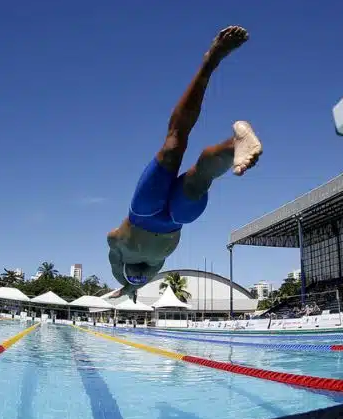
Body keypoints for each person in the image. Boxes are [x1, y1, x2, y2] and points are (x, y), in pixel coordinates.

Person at [107, 26, 263, 301]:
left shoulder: (115, 248)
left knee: (173, 145)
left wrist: (125, 287)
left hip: (144, 213)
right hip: (175, 220)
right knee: (200, 179)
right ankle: (234, 145)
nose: (140, 274)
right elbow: (134, 282)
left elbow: (118, 272)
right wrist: (132, 290)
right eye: (139, 279)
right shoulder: (156, 267)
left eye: (135, 278)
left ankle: (210, 60)